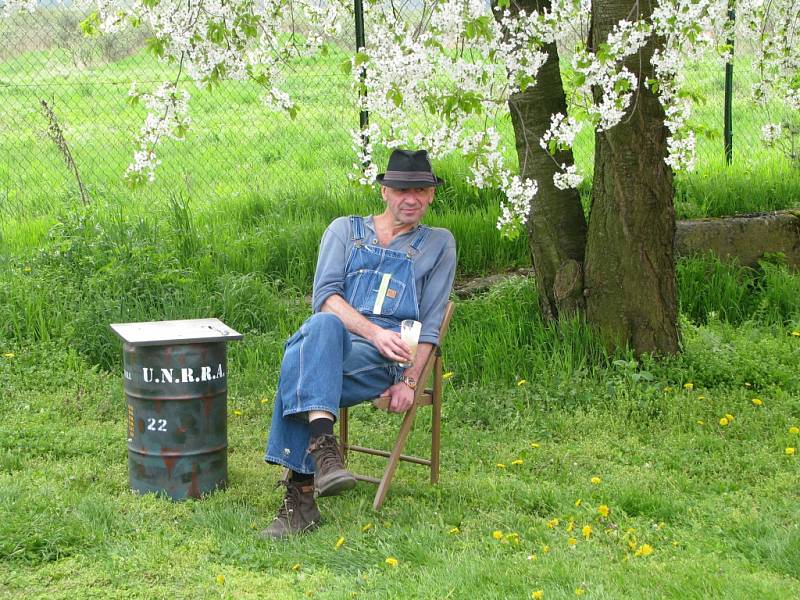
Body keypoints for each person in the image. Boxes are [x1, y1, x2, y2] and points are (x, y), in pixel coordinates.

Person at [260, 149, 457, 538]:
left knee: (298, 371)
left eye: (421, 190)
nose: (412, 198)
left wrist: (411, 381)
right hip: (342, 342)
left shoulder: (438, 244)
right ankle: (323, 447)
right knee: (323, 326)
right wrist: (373, 331)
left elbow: (430, 324)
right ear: (384, 191)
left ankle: (300, 497)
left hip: (382, 362)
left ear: (432, 195)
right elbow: (326, 298)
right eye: (402, 190)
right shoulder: (344, 231)